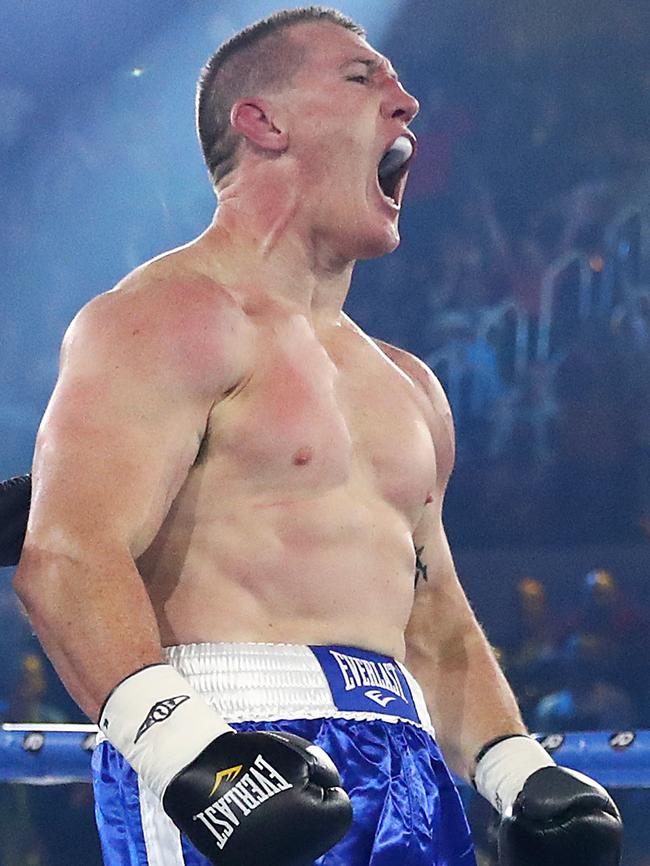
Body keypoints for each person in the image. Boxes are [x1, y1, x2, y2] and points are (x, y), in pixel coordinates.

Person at [5, 7, 621, 866]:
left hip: (406, 755)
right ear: (263, 122)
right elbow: (67, 557)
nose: (406, 104)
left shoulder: (410, 384)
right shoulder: (164, 318)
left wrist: (514, 766)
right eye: (363, 77)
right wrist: (195, 761)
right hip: (231, 733)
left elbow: (434, 610)